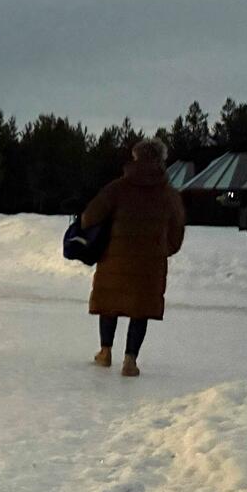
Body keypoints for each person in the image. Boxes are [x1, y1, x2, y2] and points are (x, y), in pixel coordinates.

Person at [81, 138, 186, 377]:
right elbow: (177, 232)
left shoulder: (117, 188)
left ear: (135, 157)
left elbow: (89, 217)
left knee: (110, 302)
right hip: (150, 263)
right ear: (161, 161)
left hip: (114, 259)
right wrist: (161, 250)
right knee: (141, 309)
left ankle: (105, 351)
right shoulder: (169, 195)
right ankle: (130, 359)